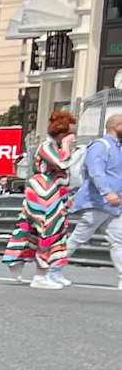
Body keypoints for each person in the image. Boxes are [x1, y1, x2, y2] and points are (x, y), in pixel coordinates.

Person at [6, 112, 83, 286]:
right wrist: (66, 145)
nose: (73, 136)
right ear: (62, 132)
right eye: (71, 133)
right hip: (43, 195)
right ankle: (41, 275)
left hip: (55, 195)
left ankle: (53, 272)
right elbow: (62, 164)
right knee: (47, 232)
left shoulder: (56, 147)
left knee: (57, 233)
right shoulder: (47, 147)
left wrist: (66, 198)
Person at [61, 110, 122, 287]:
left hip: (113, 205)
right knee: (79, 237)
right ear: (117, 127)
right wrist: (107, 192)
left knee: (118, 240)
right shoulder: (101, 146)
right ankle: (51, 269)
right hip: (97, 203)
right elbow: (96, 173)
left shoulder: (117, 147)